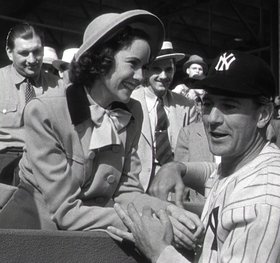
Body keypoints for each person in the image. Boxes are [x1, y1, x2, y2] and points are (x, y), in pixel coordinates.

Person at [0, 11, 202, 247]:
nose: (141, 76)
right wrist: (150, 223)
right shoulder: (45, 112)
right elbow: (66, 211)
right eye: (133, 64)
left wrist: (168, 211)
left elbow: (126, 190)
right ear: (102, 59)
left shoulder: (132, 111)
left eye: (145, 67)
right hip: (30, 237)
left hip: (90, 234)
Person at [108, 50, 280, 263]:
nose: (212, 118)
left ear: (264, 114)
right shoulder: (246, 163)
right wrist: (178, 168)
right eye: (209, 104)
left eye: (229, 106)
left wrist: (159, 252)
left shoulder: (263, 197)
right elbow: (217, 174)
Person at [131, 41, 196, 191]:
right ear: (146, 71)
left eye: (168, 69)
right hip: (138, 183)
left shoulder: (187, 106)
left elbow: (191, 150)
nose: (163, 76)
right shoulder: (130, 101)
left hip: (175, 184)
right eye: (156, 69)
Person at [0, 23, 59, 185]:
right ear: (10, 53)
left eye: (37, 52)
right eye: (24, 53)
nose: (32, 60)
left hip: (48, 165)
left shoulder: (60, 87)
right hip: (6, 164)